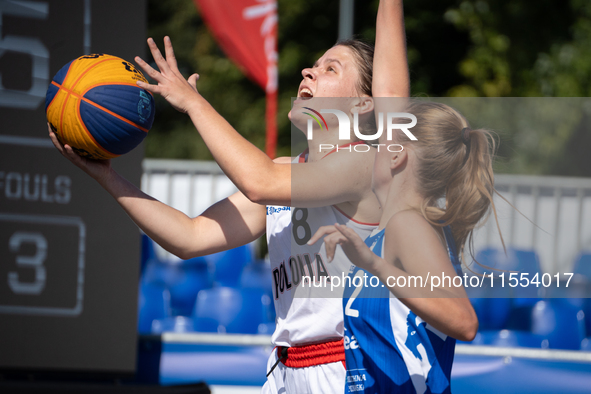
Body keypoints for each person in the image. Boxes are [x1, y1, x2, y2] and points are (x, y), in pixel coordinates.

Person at [49, 1, 409, 393]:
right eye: (313, 64)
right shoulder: (288, 169)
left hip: (343, 369)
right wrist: (108, 176)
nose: (309, 71)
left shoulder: (363, 166)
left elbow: (260, 181)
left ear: (362, 104)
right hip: (285, 370)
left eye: (330, 68)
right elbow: (190, 237)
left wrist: (192, 102)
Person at [309, 100, 496, 393]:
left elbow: (464, 321)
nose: (369, 149)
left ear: (397, 156)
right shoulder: (396, 228)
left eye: (379, 142)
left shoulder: (407, 225)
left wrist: (375, 265)